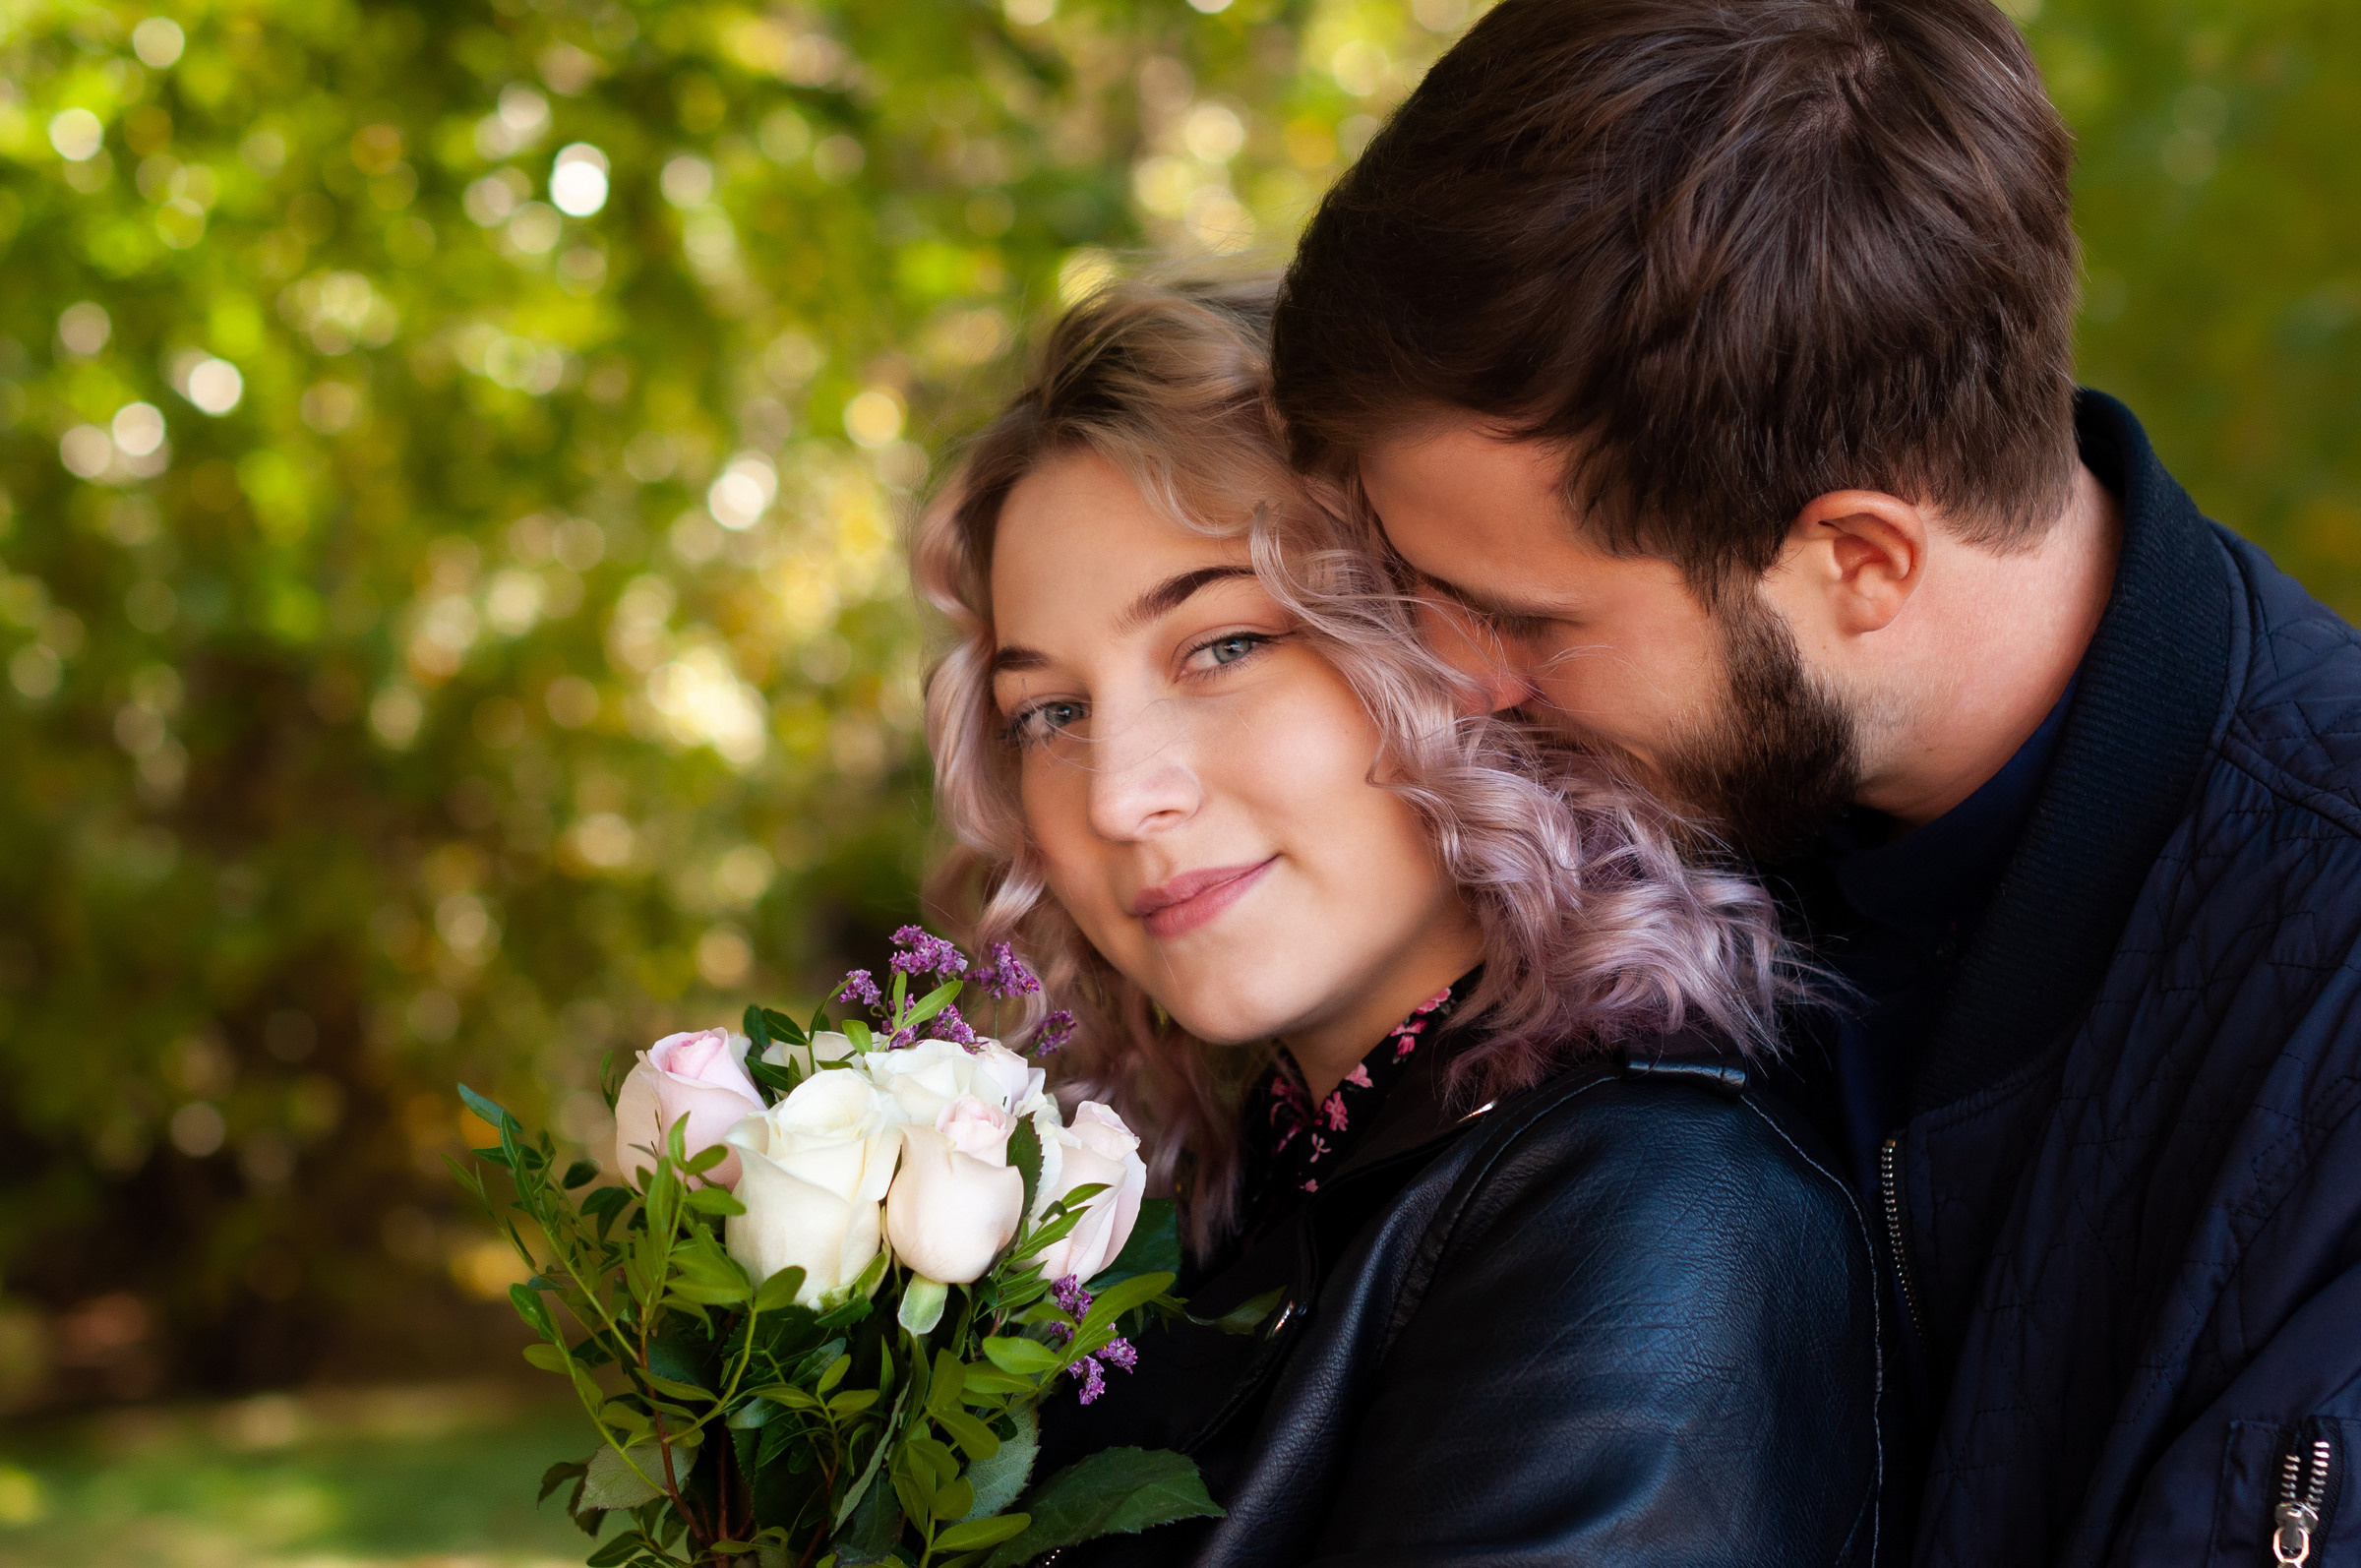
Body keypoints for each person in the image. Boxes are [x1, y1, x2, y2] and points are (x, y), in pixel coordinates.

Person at [1267, 0, 2361, 1563]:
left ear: (1859, 559)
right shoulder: (1570, 845)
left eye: (1523, 616)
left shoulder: (2327, 1021)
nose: (1449, 683)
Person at [912, 279, 1881, 1566]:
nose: (1120, 793)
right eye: (1050, 712)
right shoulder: (1210, 1212)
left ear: (1446, 633)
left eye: (1223, 645)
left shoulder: (1652, 1217)